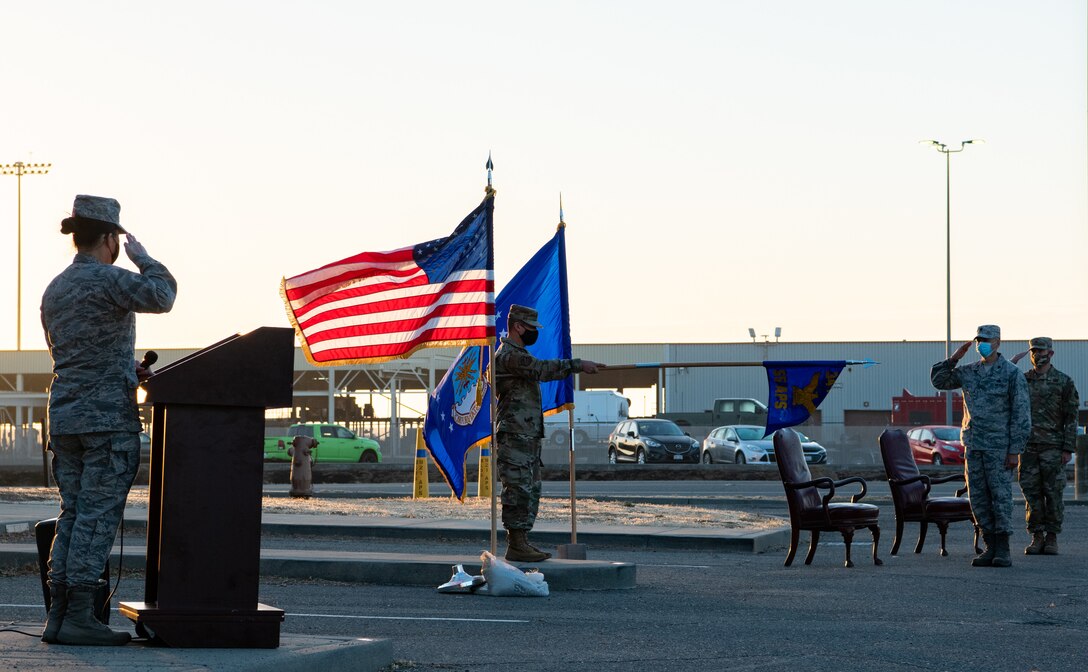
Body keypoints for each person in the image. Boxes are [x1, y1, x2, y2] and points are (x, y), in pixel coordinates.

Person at [40, 195, 177, 645]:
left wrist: (123, 370)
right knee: (97, 518)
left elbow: (76, 353)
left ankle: (59, 617)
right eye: (119, 240)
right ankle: (80, 617)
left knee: (73, 514)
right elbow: (163, 294)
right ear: (109, 239)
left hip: (65, 417)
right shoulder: (109, 278)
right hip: (105, 421)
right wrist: (144, 258)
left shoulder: (56, 289)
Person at [494, 304, 603, 562]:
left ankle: (522, 541)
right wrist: (578, 365)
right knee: (517, 489)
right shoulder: (509, 355)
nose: (534, 332)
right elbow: (542, 369)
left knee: (530, 489)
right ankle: (516, 544)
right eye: (531, 328)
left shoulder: (517, 354)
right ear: (518, 326)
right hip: (514, 435)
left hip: (527, 435)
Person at [931, 324, 1030, 568]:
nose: (981, 344)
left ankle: (1003, 548)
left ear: (997, 341)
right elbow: (939, 381)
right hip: (974, 444)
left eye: (986, 340)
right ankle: (989, 546)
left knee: (1000, 496)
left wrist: (1014, 450)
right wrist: (954, 358)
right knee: (978, 498)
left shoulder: (1011, 373)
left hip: (999, 446)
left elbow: (1021, 414)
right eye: (978, 340)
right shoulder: (970, 371)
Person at [1010, 337, 1079, 555]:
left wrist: (1068, 448)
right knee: (1031, 493)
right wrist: (1011, 366)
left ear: (1050, 354)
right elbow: (1010, 405)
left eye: (1041, 351)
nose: (1036, 355)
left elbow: (1071, 416)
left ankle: (1052, 537)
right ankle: (1036, 536)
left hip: (1053, 447)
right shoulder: (1022, 380)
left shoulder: (1063, 381)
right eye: (1033, 351)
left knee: (1054, 493)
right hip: (1028, 447)